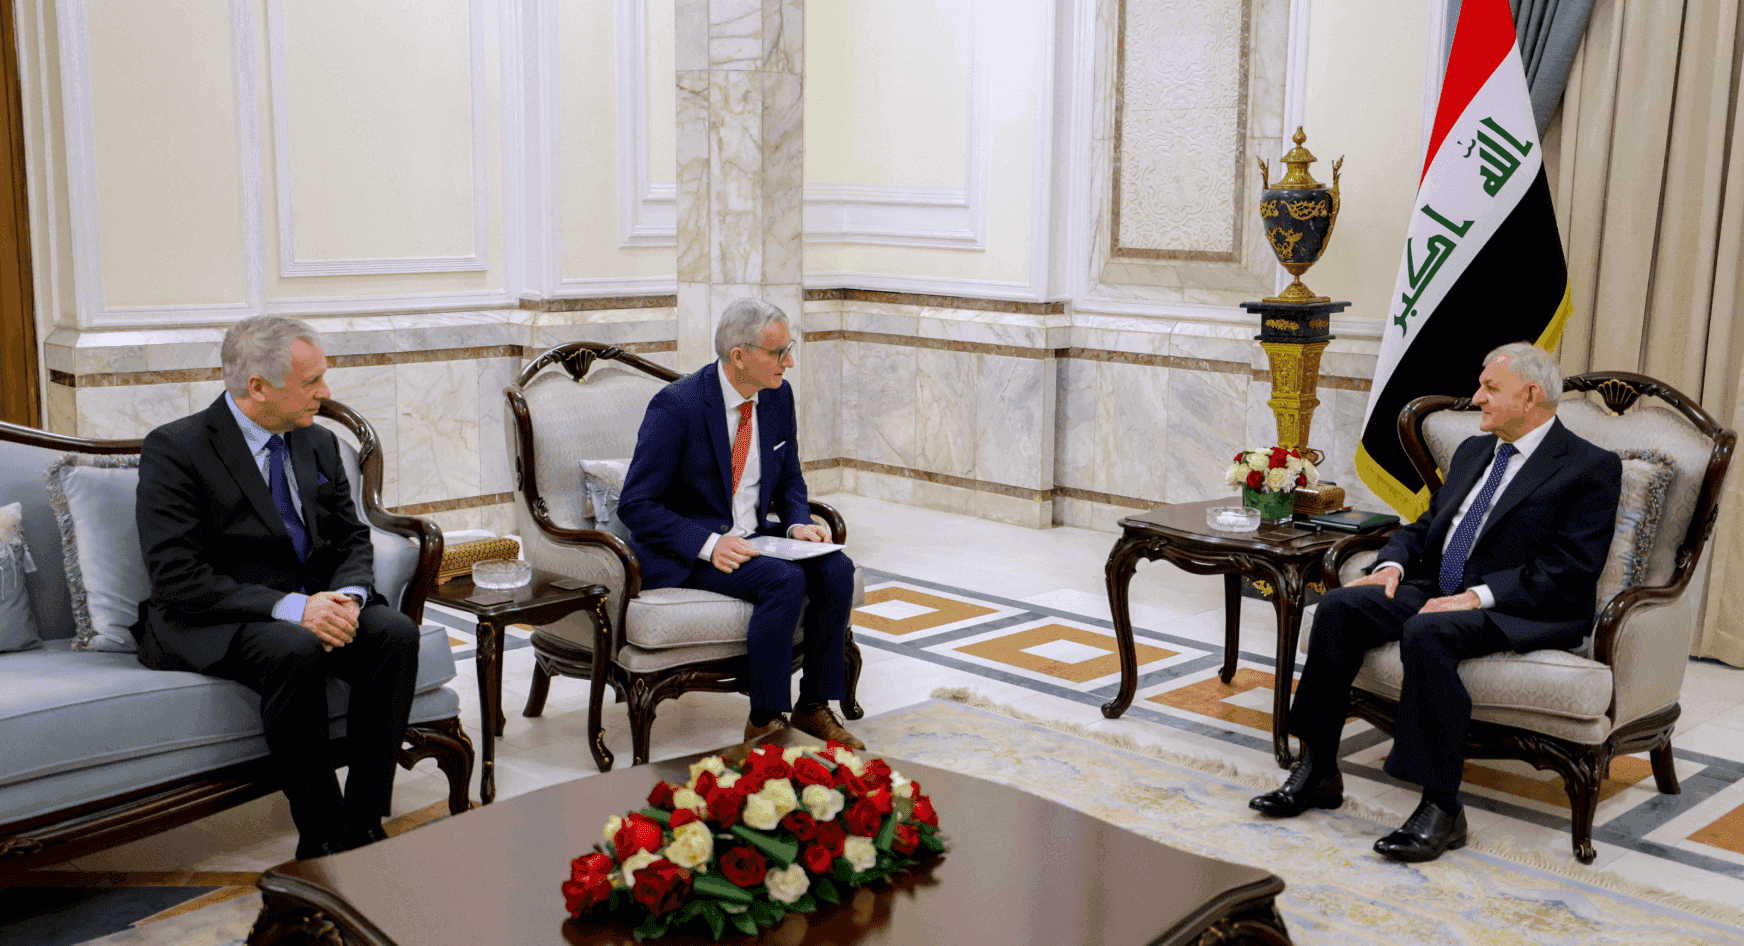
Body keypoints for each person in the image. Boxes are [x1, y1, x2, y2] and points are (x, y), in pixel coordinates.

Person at [1249, 341, 1621, 862]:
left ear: (1531, 394)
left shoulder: (1589, 467)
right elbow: (1426, 527)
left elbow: (1569, 571)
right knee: (1338, 608)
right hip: (1441, 587)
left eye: (1491, 387)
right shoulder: (1475, 451)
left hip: (1522, 607)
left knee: (1428, 631)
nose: (1477, 398)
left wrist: (1477, 596)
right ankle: (1318, 769)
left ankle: (1442, 807)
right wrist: (1392, 567)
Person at [132, 315, 419, 860]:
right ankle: (323, 836)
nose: (325, 393)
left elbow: (351, 539)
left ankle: (364, 822)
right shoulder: (176, 449)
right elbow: (176, 578)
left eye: (323, 378)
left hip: (313, 603)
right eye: (311, 383)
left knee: (394, 633)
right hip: (217, 615)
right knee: (295, 646)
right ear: (258, 387)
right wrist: (295, 608)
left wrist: (350, 598)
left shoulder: (318, 443)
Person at [617, 298, 862, 749]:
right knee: (783, 581)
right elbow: (636, 504)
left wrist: (796, 525)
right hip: (693, 548)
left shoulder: (776, 395)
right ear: (739, 356)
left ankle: (811, 706)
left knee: (837, 569)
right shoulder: (677, 407)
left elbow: (789, 477)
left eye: (790, 349)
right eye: (778, 352)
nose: (789, 362)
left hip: (755, 536)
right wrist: (710, 544)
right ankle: (764, 718)